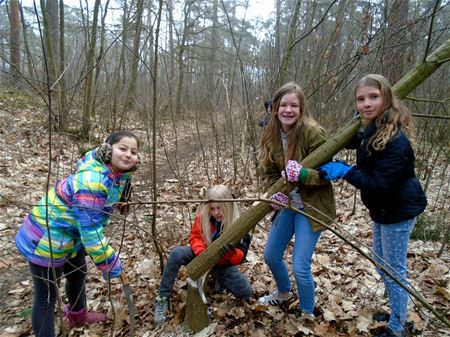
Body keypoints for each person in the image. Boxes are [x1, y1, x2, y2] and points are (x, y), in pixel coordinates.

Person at [319, 74, 427, 337]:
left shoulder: (395, 140)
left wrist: (345, 171)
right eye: (361, 99)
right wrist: (342, 140)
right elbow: (363, 144)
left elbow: (378, 184)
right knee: (383, 266)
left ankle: (398, 327)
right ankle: (398, 314)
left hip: (398, 211)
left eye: (373, 97)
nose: (366, 103)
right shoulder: (375, 128)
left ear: (387, 98)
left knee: (393, 270)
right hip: (383, 210)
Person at [15, 131, 140, 337]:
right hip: (45, 237)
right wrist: (110, 262)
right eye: (123, 148)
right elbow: (91, 231)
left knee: (77, 273)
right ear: (108, 150)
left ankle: (77, 316)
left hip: (70, 237)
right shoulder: (92, 179)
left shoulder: (117, 176)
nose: (128, 155)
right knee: (46, 297)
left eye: (134, 152)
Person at [257, 82, 336, 320]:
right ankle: (283, 293)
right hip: (288, 204)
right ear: (275, 108)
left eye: (294, 105)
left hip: (311, 206)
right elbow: (268, 170)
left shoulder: (313, 132)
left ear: (301, 108)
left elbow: (329, 172)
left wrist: (302, 174)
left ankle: (307, 314)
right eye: (283, 105)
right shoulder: (271, 132)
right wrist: (274, 193)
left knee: (300, 266)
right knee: (271, 255)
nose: (288, 110)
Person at [153, 184, 252, 326]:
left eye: (220, 208)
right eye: (212, 208)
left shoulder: (239, 222)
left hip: (223, 264)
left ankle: (219, 281)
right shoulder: (203, 217)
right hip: (202, 256)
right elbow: (195, 237)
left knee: (245, 291)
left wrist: (231, 254)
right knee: (177, 254)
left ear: (228, 206)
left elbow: (241, 254)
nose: (216, 212)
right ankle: (163, 297)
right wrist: (201, 253)